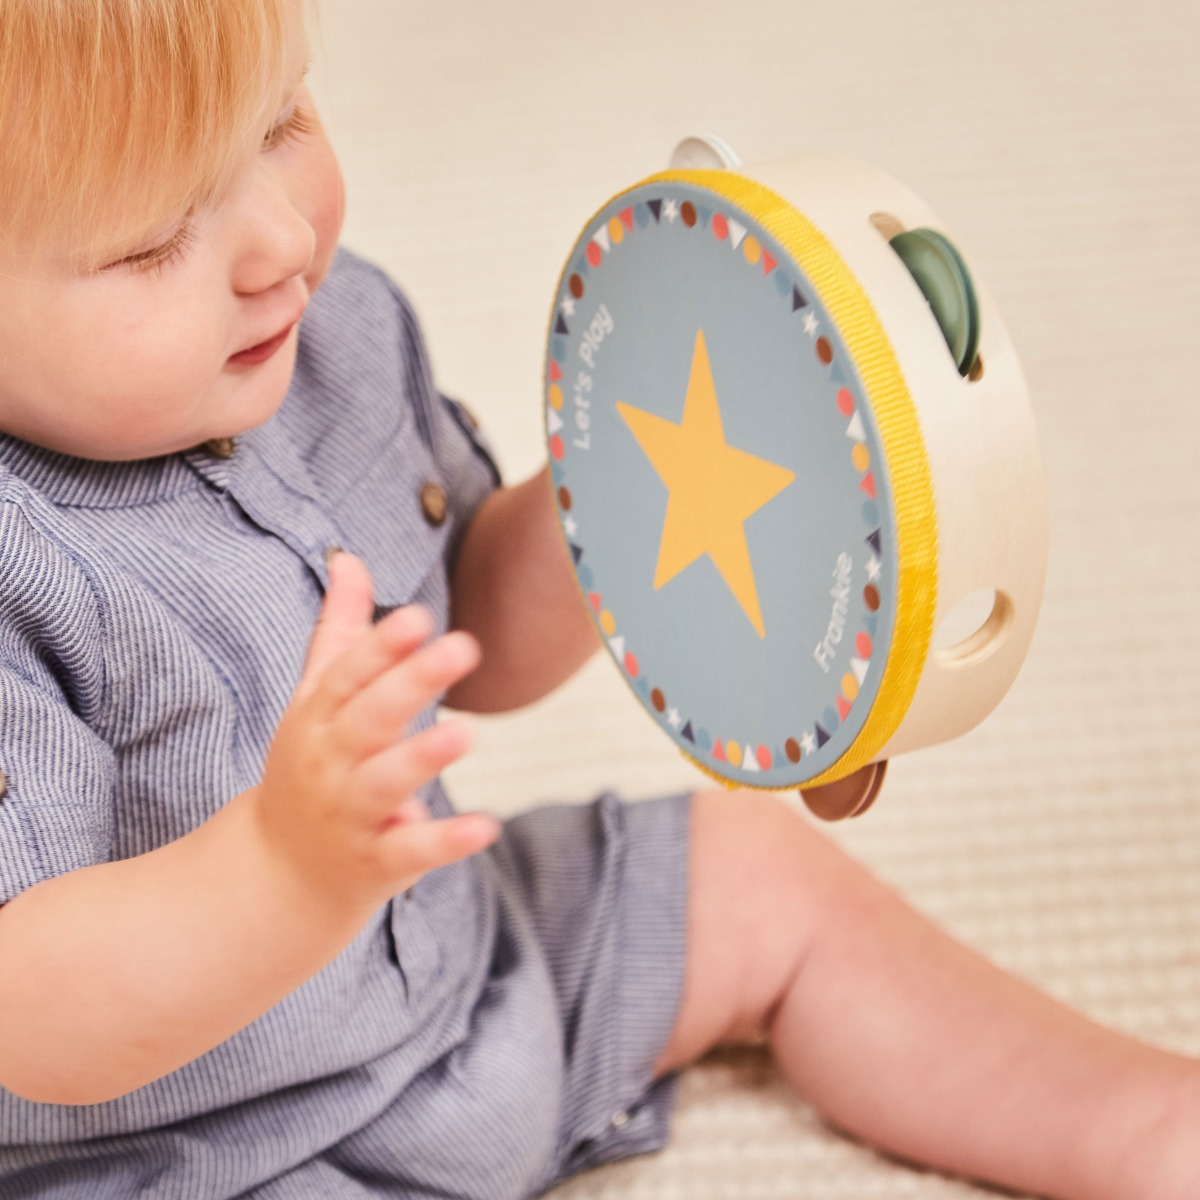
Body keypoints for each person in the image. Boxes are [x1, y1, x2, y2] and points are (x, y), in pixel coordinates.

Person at [0, 2, 1195, 1197]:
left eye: (282, 123)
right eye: (152, 241)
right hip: (187, 1159)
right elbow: (31, 1011)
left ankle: (1148, 1130)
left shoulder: (316, 328)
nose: (279, 240)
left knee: (750, 875)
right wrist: (279, 872)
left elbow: (468, 626)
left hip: (469, 982)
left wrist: (628, 501)